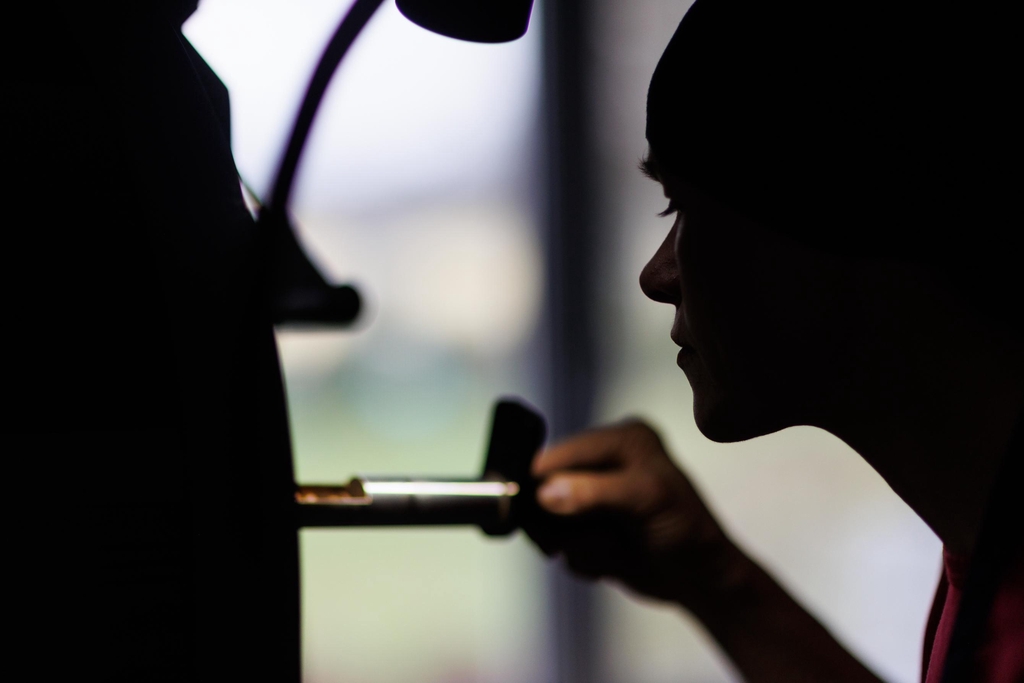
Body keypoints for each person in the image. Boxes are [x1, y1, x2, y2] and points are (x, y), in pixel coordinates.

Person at [521, 1, 1023, 681]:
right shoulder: (981, 552)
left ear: (838, 213)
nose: (656, 275)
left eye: (684, 207)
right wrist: (718, 579)